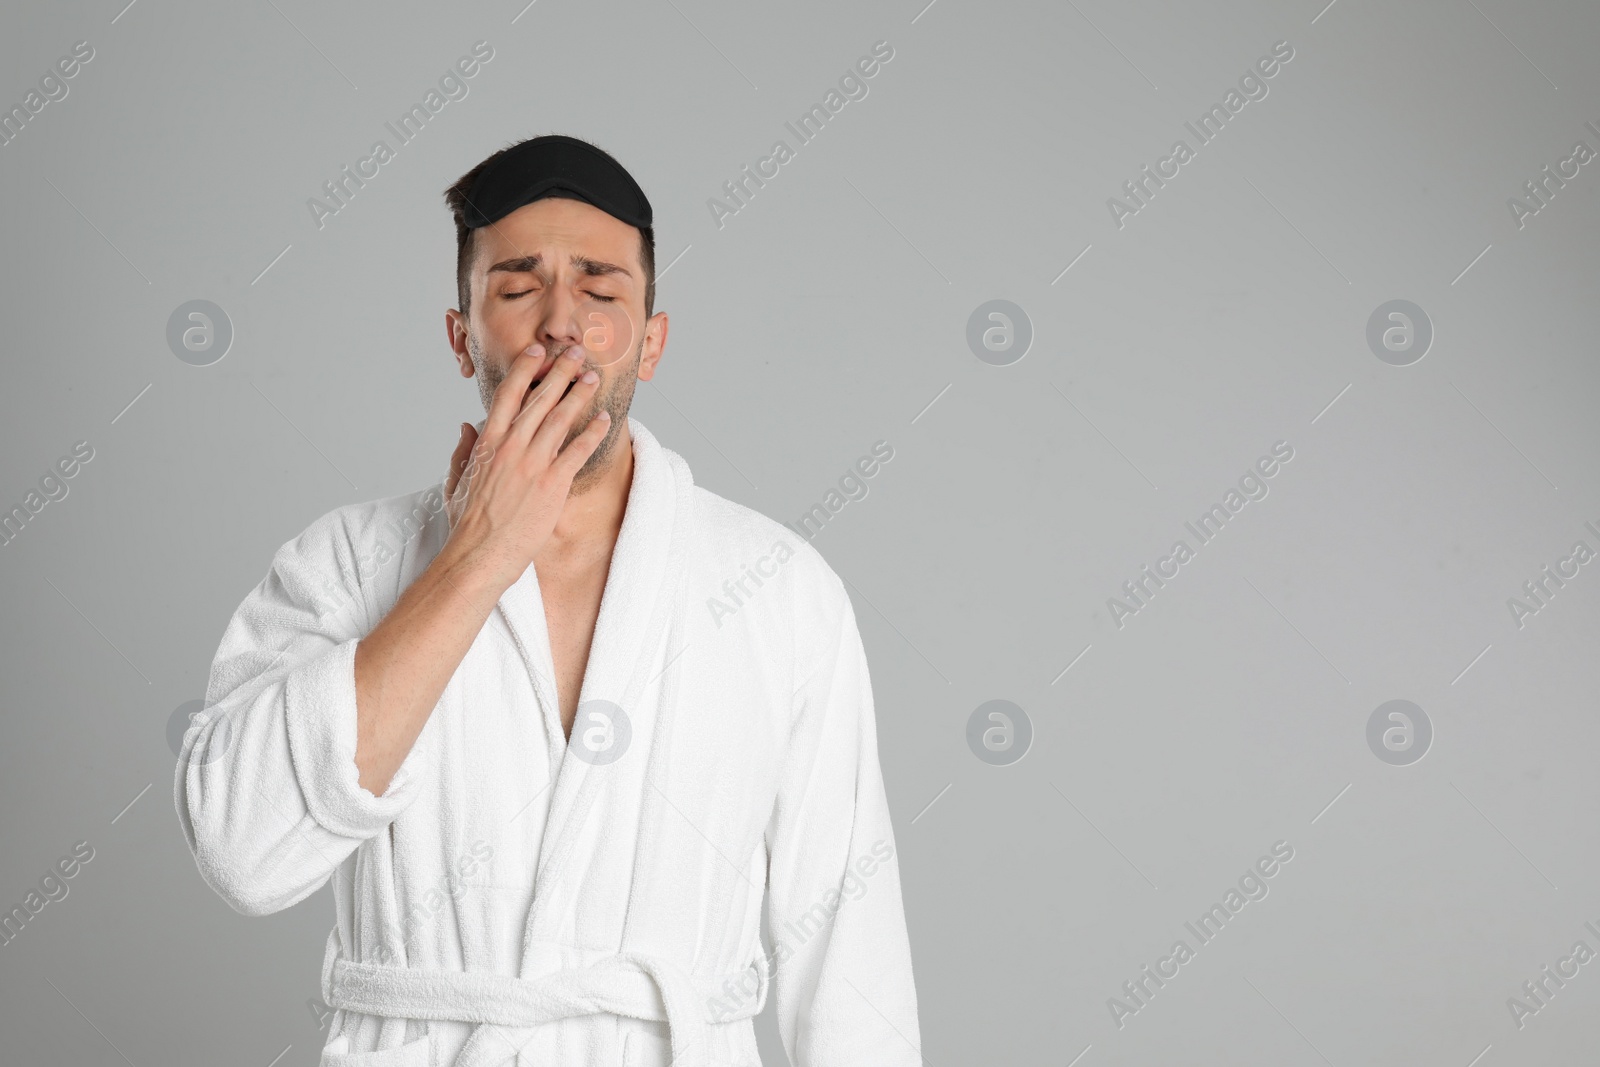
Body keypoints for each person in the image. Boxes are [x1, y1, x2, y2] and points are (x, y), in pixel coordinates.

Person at [174, 134, 921, 1067]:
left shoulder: (778, 591)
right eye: (518, 288)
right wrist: (476, 556)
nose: (561, 322)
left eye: (602, 291)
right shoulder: (345, 566)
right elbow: (244, 853)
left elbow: (852, 964)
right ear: (462, 336)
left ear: (650, 341)